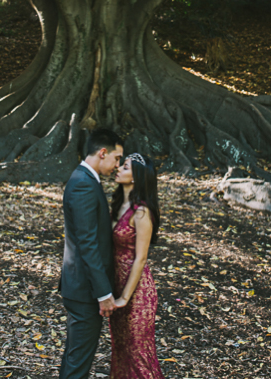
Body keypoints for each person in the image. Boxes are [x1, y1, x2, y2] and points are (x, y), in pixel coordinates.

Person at [59, 128, 124, 379]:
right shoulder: (83, 185)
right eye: (117, 159)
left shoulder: (84, 179)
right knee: (78, 365)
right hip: (85, 290)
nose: (117, 165)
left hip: (79, 286)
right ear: (103, 152)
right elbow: (88, 244)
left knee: (74, 358)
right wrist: (103, 293)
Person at [108, 153, 164, 379]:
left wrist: (124, 298)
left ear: (136, 177)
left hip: (137, 294)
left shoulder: (141, 212)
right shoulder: (119, 204)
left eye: (126, 167)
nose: (118, 168)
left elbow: (140, 258)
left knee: (138, 355)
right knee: (120, 353)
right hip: (117, 287)